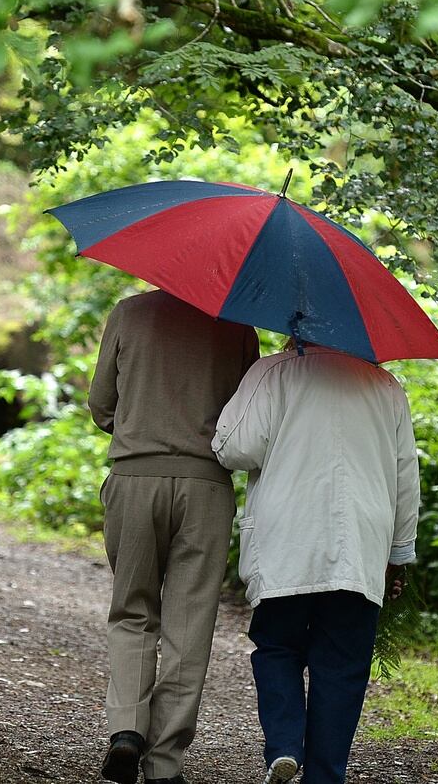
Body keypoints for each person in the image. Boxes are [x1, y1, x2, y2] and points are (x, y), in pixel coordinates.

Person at [212, 340, 418, 784]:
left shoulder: (273, 373)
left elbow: (235, 449)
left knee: (277, 646)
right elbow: (406, 479)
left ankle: (285, 746)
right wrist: (399, 555)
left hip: (289, 542)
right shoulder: (386, 387)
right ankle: (324, 776)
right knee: (342, 665)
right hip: (361, 546)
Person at [89, 289, 260, 784]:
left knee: (132, 611)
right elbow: (244, 421)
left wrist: (139, 424)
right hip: (206, 488)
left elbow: (102, 407)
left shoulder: (130, 313)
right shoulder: (239, 329)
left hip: (135, 478)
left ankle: (126, 731)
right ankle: (164, 763)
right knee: (189, 624)